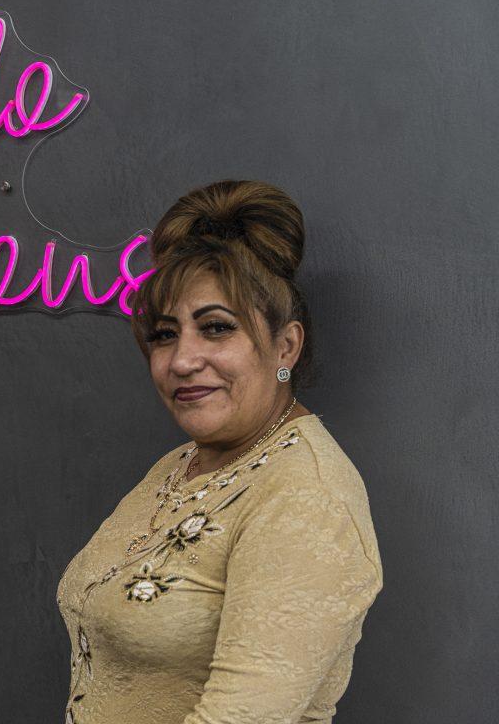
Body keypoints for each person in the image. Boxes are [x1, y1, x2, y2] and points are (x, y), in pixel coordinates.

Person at [57, 180, 382, 724]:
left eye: (215, 328)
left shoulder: (306, 498)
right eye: (164, 334)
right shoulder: (182, 464)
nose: (182, 359)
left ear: (286, 347)